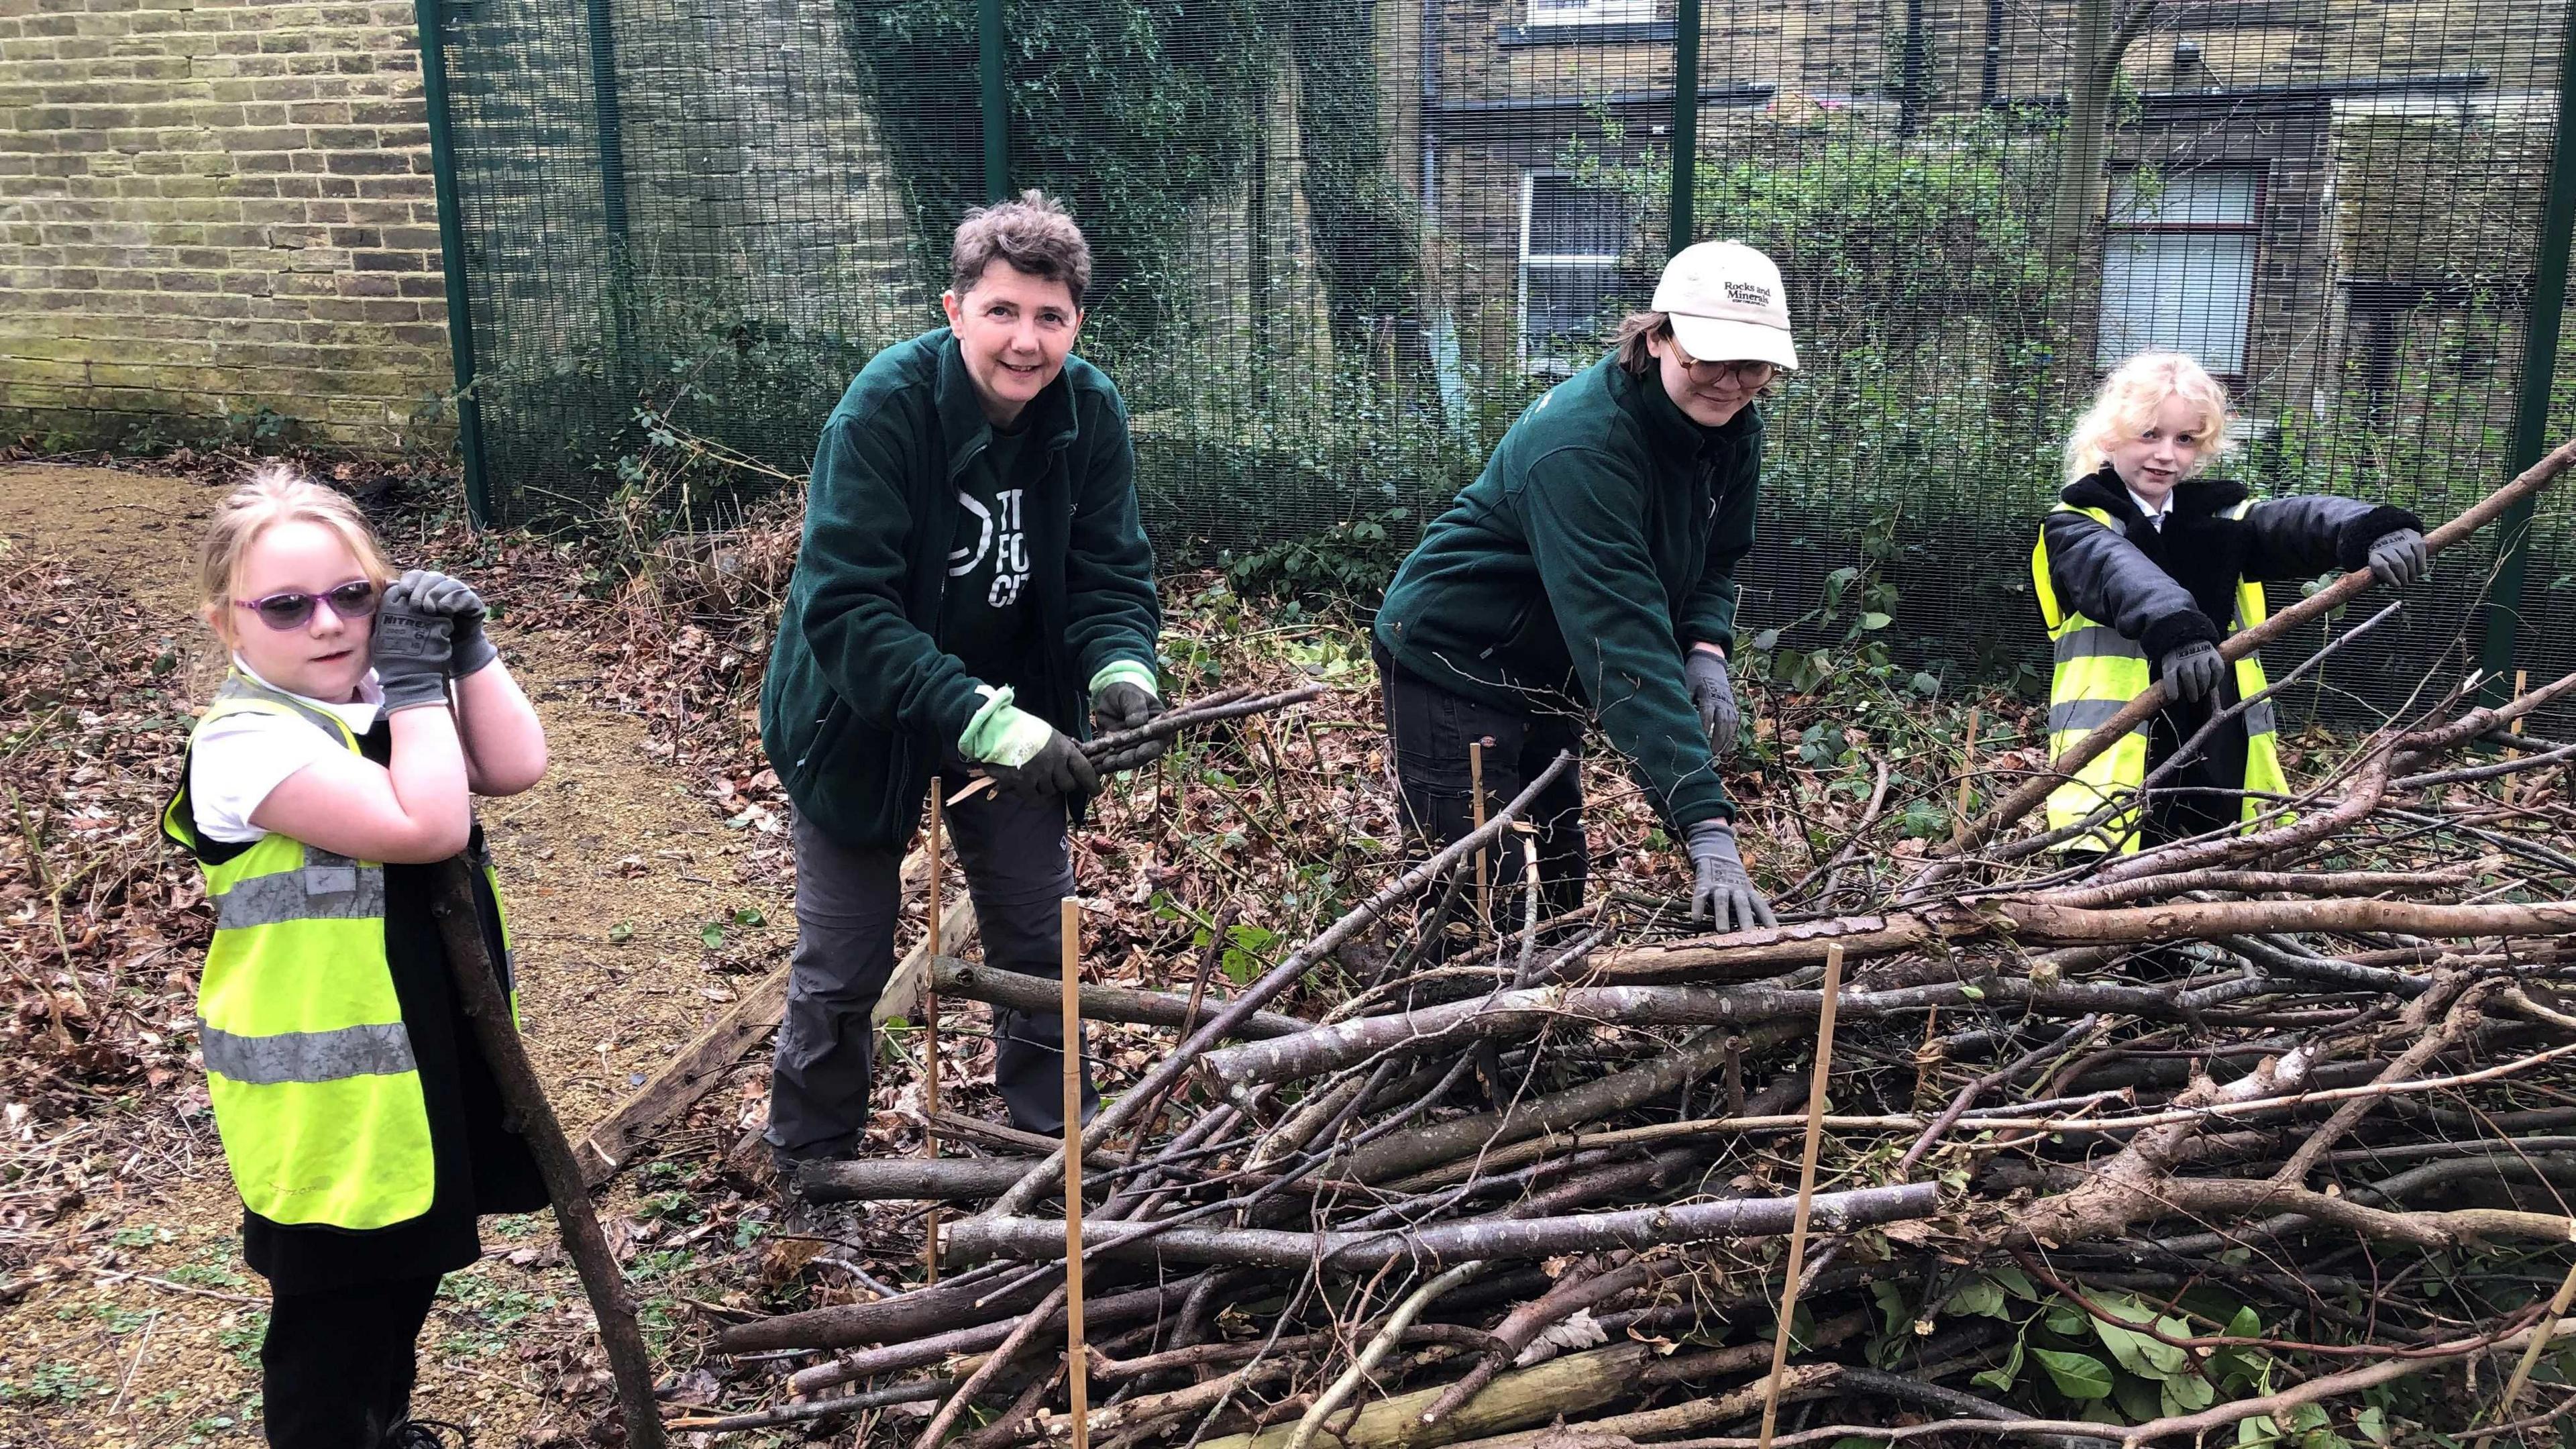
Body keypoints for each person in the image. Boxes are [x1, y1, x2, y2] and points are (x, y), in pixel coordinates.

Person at [758, 191, 1165, 1168]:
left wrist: (1121, 668)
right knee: (845, 957)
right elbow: (850, 612)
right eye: (1003, 311)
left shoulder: (1088, 410)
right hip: (862, 712)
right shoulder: (885, 410)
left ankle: (1053, 1168)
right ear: (955, 311)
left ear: (1076, 322)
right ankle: (813, 1169)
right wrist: (984, 721)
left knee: (1038, 939)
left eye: (1050, 316)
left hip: (1013, 710)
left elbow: (1112, 571)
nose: (1026, 341)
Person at [160, 468, 549, 1449]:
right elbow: (426, 823)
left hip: (417, 1062)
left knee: (402, 1283)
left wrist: (466, 652)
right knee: (331, 1322)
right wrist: (418, 689)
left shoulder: (377, 704)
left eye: (353, 596)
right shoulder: (244, 746)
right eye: (286, 607)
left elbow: (511, 766)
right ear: (228, 625)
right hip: (328, 1100)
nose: (328, 624)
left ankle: (383, 1427)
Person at [1373, 239, 1796, 933]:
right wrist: (1706, 829)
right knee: (1481, 900)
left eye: (1752, 366)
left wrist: (1706, 649)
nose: (1730, 381)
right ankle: (1441, 1027)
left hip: (1548, 665)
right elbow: (1621, 644)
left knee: (1560, 876)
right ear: (1658, 337)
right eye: (1709, 358)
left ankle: (1546, 1028)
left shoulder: (1733, 427)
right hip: (1454, 657)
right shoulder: (1585, 447)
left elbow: (1719, 557)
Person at [2033, 350, 2428, 853]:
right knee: (2105, 895)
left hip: (2224, 742)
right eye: (2149, 435)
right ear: (2110, 437)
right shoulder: (2076, 525)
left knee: (2216, 876)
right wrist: (2178, 630)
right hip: (2116, 758)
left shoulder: (2223, 519)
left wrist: (2369, 526)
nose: (2166, 455)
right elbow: (2118, 572)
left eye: (2185, 440)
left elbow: (2295, 522)